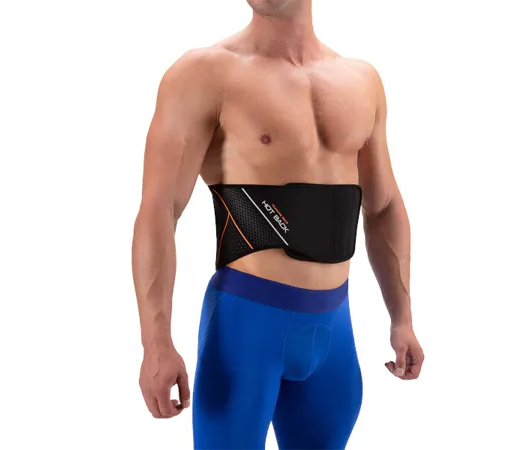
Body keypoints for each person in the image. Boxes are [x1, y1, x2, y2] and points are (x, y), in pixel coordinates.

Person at [132, 0, 424, 448]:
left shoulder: (361, 81)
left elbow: (383, 207)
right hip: (245, 330)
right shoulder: (205, 74)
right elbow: (159, 208)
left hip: (335, 332)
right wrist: (155, 343)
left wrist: (402, 318)